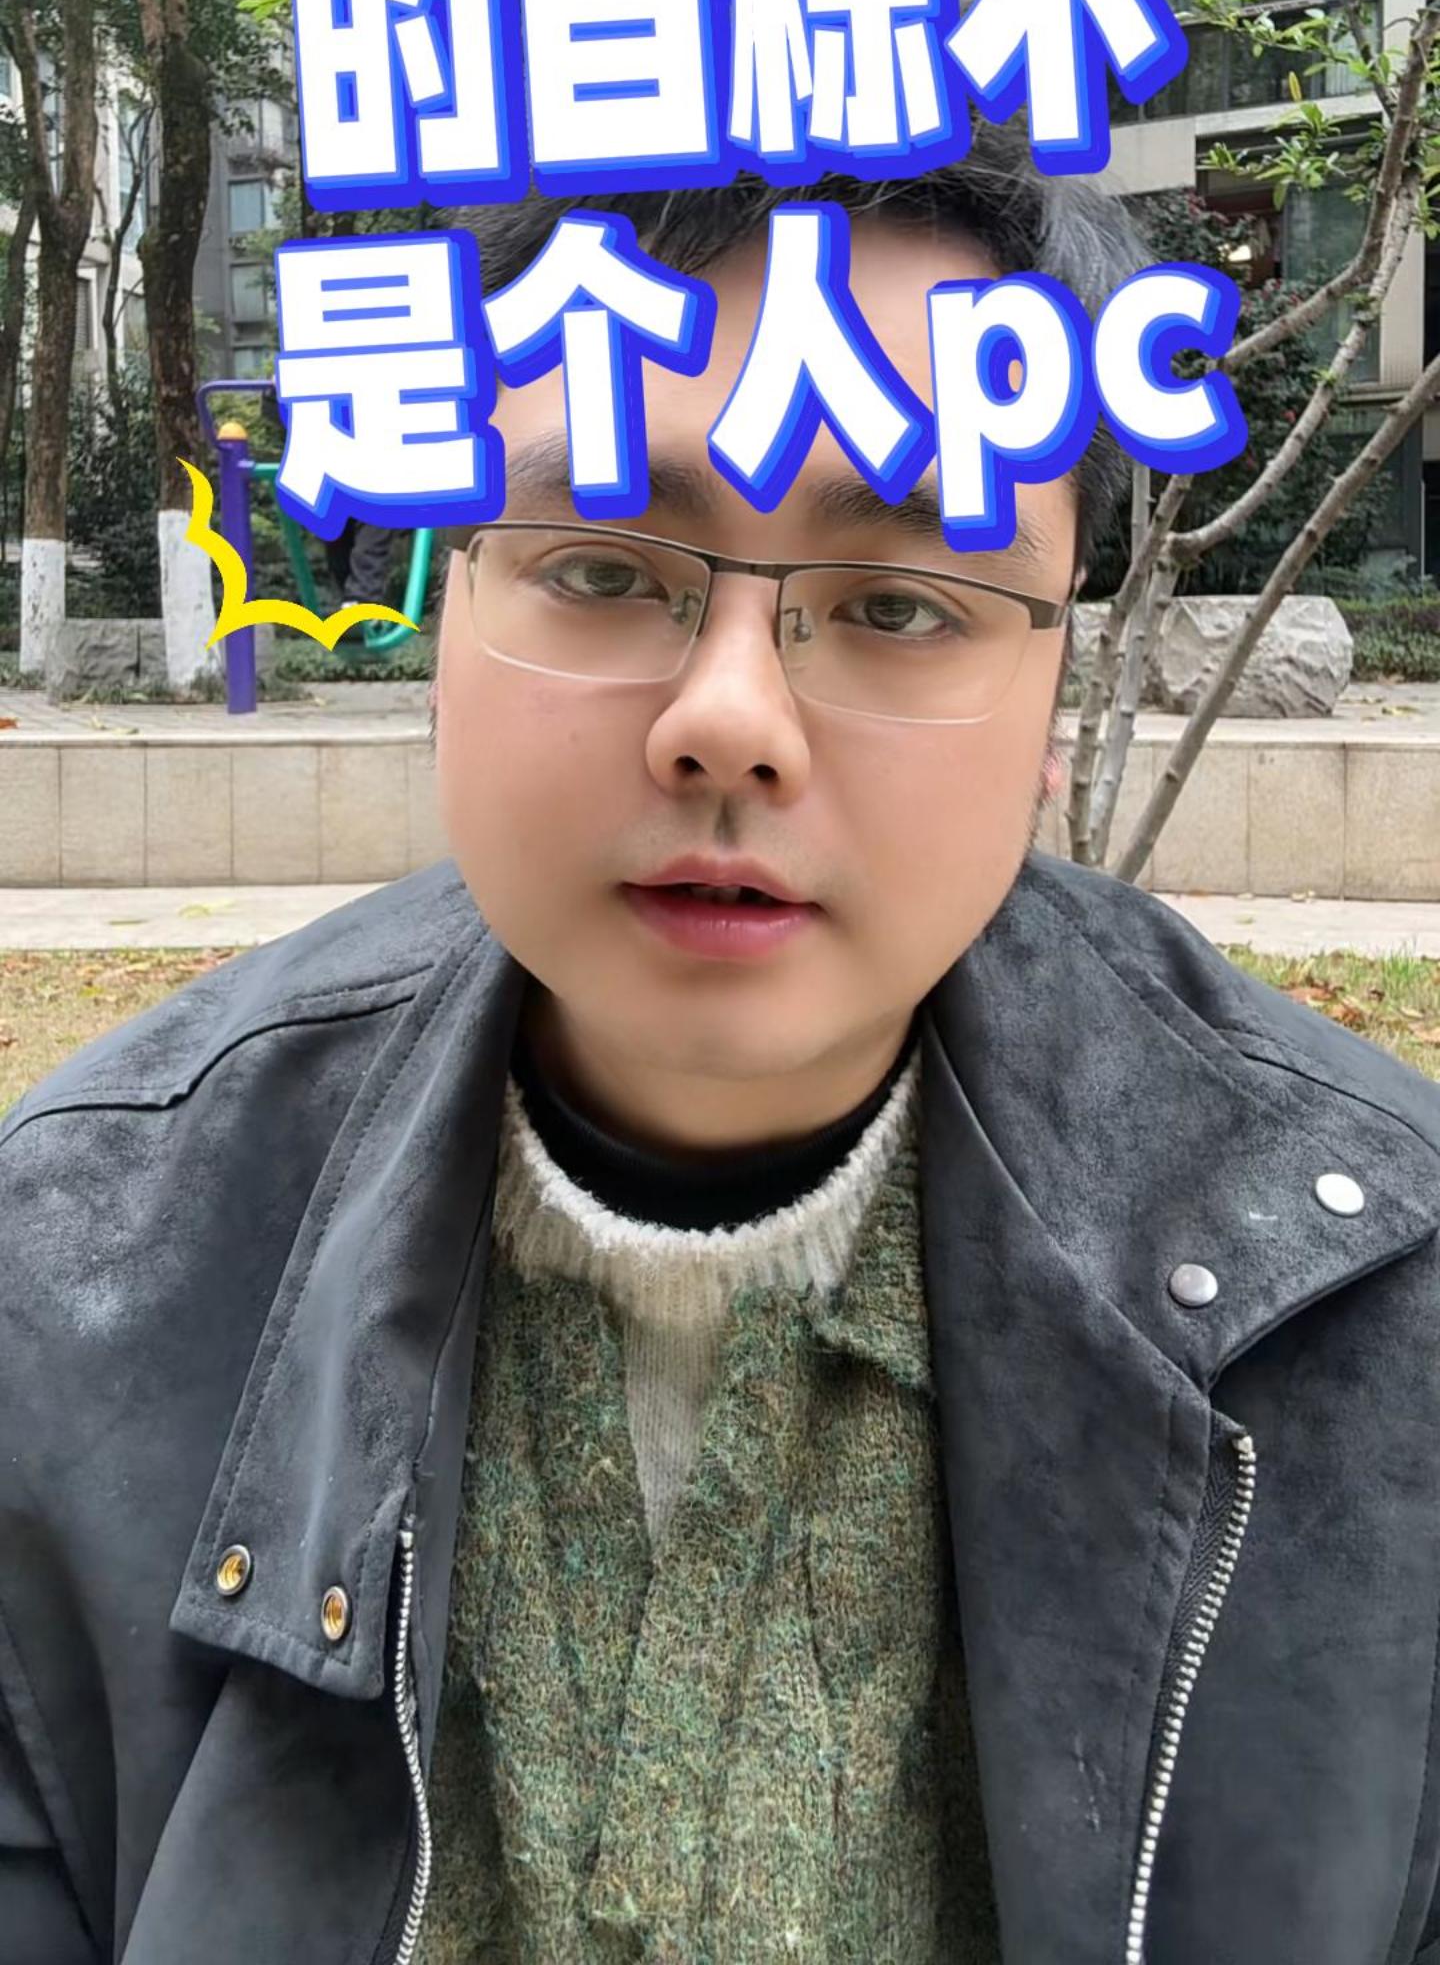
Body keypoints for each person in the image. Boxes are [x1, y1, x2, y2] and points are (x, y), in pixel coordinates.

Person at [4, 136, 1440, 1965]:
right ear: (451, 622)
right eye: (607, 568)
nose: (730, 721)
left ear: (1053, 704)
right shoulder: (71, 1274)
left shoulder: (1381, 1313)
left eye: (901, 604)